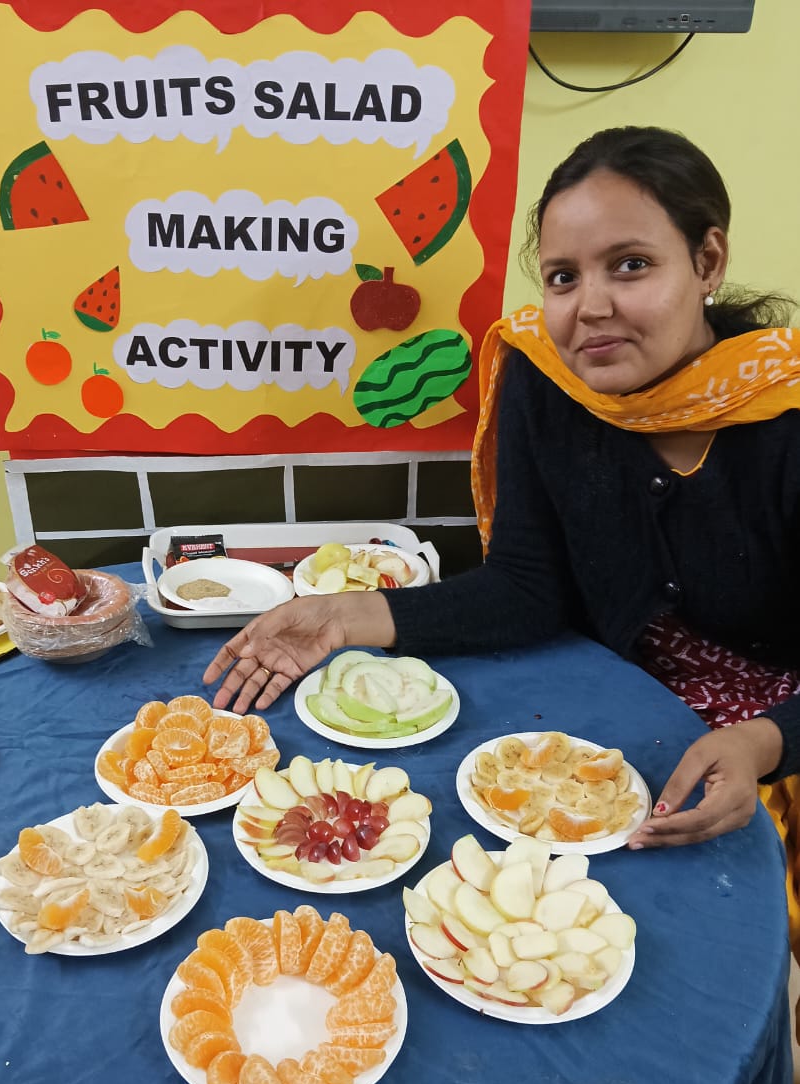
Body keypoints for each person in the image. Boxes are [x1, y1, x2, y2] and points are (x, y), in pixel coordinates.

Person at [203, 125, 800, 937]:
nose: (589, 306)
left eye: (630, 264)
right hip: (603, 719)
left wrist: (765, 742)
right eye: (562, 276)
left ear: (705, 261)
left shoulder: (786, 414)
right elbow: (528, 585)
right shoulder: (545, 379)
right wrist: (344, 619)